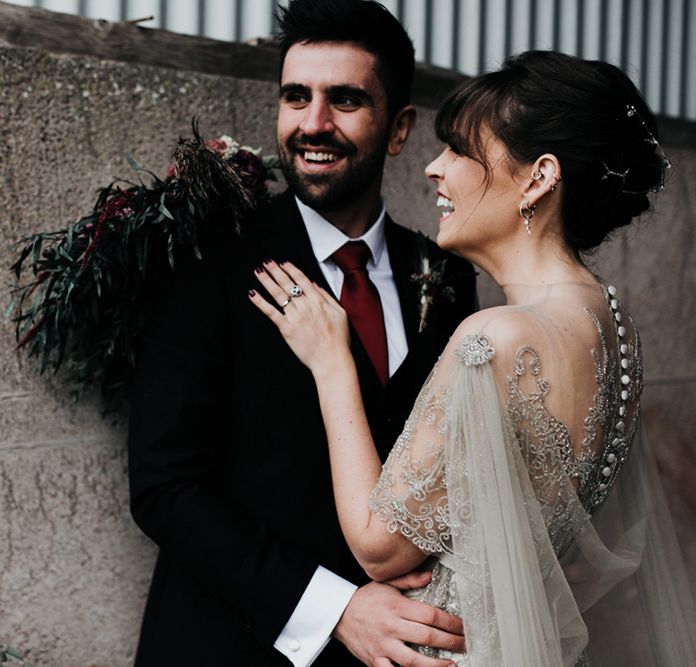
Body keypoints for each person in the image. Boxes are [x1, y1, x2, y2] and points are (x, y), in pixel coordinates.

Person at [250, 51, 696, 665]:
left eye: (461, 152)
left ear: (539, 178)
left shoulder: (493, 339)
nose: (435, 170)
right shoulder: (613, 323)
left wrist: (333, 362)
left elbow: (380, 550)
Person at [127, 0, 476, 665]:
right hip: (231, 643)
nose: (313, 124)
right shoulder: (209, 257)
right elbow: (164, 486)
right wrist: (336, 606)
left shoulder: (446, 274)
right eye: (296, 97)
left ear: (398, 128)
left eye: (344, 100)